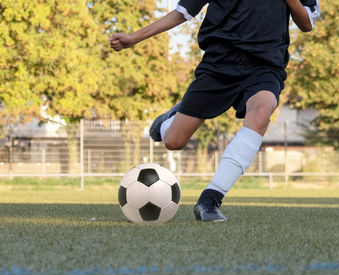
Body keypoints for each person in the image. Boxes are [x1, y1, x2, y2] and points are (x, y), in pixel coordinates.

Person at [110, 0, 320, 222]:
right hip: (219, 64)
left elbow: (306, 23)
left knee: (261, 113)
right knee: (174, 142)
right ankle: (166, 123)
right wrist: (133, 38)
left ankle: (210, 200)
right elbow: (182, 13)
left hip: (265, 66)